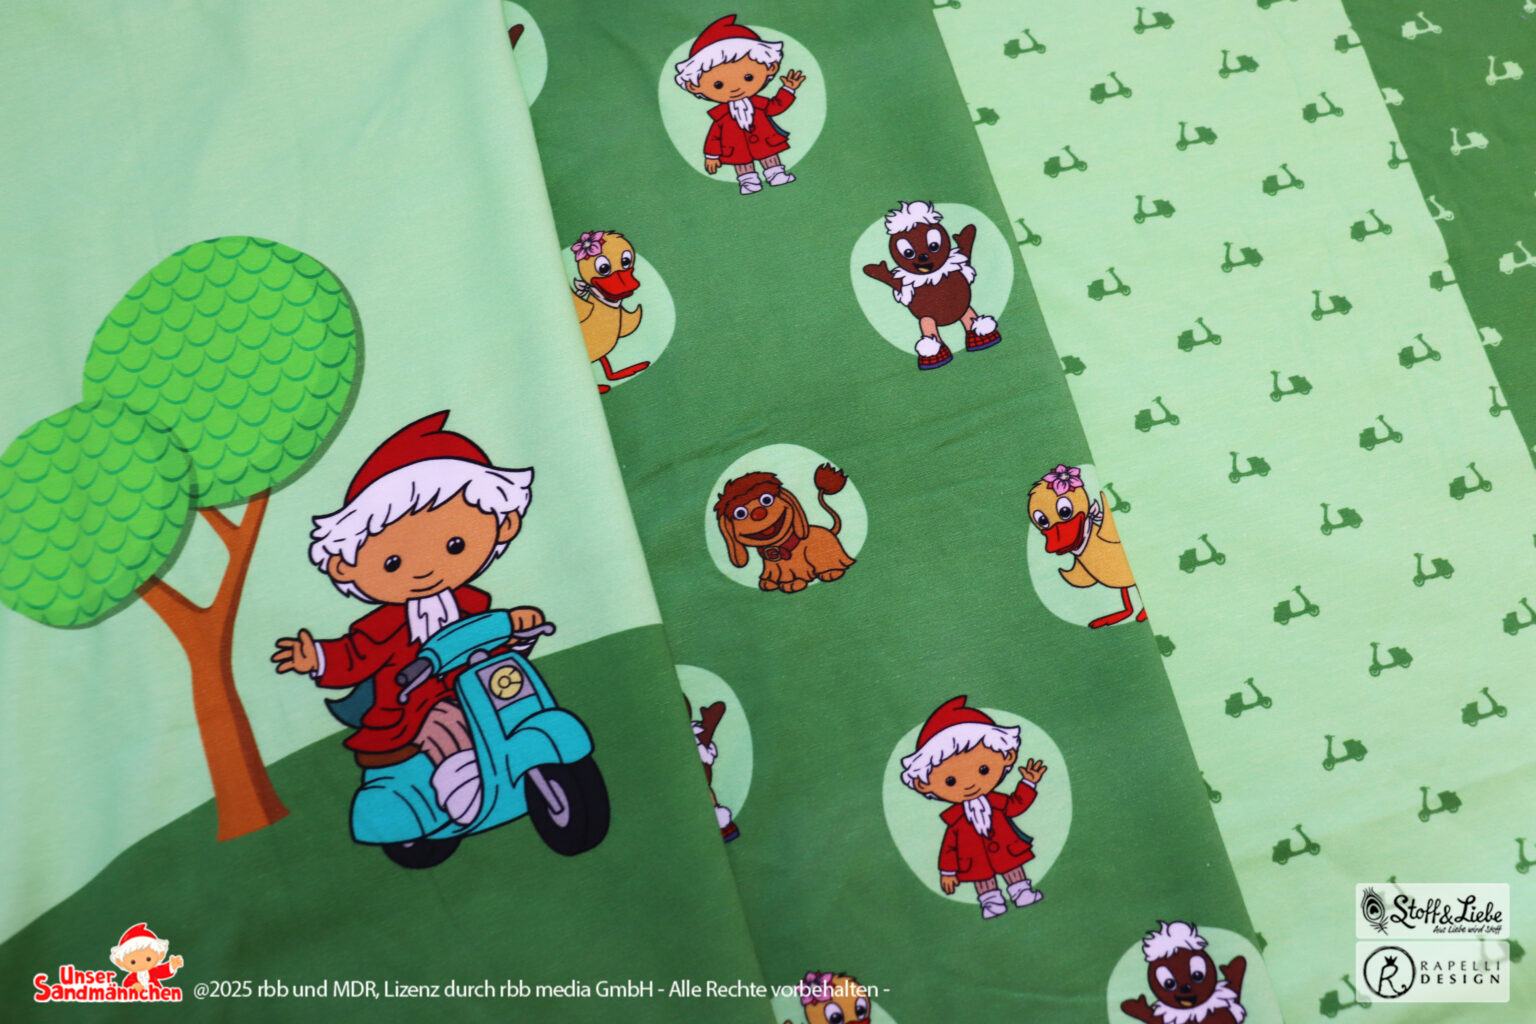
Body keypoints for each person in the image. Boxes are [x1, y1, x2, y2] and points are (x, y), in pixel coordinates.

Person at [273, 411, 541, 825]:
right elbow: (354, 655)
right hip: (411, 707)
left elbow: (492, 640)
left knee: (514, 700)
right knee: (446, 722)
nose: (424, 570)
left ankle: (525, 762)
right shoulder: (383, 627)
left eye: (454, 544)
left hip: (476, 686)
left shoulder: (473, 602)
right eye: (393, 563)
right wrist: (317, 658)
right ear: (345, 567)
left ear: (503, 524)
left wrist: (519, 629)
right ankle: (462, 785)